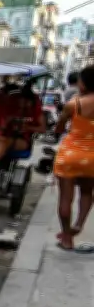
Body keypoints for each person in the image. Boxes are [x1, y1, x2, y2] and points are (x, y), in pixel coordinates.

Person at [53, 65, 94, 251]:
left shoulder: (73, 104)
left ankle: (67, 239)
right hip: (92, 158)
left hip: (71, 155)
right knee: (86, 192)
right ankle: (78, 225)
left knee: (65, 198)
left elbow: (59, 128)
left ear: (83, 83)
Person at [0, 85, 44, 170]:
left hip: (23, 140)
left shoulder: (36, 113)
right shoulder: (13, 110)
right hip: (7, 136)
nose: (22, 102)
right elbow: (4, 124)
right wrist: (9, 120)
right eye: (21, 100)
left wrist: (28, 127)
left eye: (26, 101)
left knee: (4, 141)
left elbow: (42, 129)